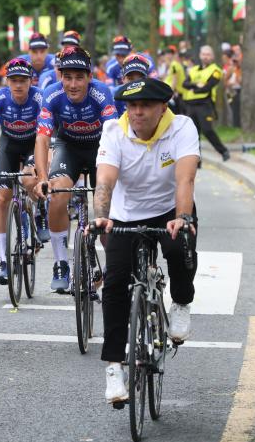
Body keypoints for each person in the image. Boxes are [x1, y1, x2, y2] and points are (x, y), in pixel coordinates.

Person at [92, 77, 199, 403]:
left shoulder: (181, 128)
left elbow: (186, 177)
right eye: (132, 106)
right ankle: (114, 369)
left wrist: (182, 218)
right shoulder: (114, 131)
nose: (137, 112)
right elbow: (105, 181)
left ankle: (180, 301)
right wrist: (101, 215)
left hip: (169, 208)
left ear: (162, 107)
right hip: (126, 213)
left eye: (145, 106)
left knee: (179, 248)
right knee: (114, 285)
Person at [33, 46, 118, 291]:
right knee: (57, 195)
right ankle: (60, 263)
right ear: (60, 77)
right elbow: (42, 138)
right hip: (68, 147)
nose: (73, 84)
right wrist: (41, 178)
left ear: (89, 77)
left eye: (79, 77)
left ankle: (113, 266)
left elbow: (112, 135)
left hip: (98, 148)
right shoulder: (52, 95)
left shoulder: (102, 93)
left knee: (105, 205)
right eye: (67, 77)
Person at [0, 58, 45, 283]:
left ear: (31, 81)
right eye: (13, 80)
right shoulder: (0, 98)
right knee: (2, 197)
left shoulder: (39, 98)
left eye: (23, 80)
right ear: (7, 81)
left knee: (27, 180)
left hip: (34, 144)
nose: (18, 85)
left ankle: (40, 208)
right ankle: (2, 260)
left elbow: (47, 133)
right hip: (8, 146)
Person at [182, 45, 230, 161]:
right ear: (200, 55)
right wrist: (196, 85)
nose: (205, 57)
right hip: (191, 105)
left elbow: (207, 87)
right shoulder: (193, 70)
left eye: (208, 54)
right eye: (203, 54)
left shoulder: (216, 70)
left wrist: (194, 87)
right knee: (193, 134)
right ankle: (196, 161)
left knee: (207, 129)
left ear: (212, 56)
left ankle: (223, 150)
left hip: (205, 104)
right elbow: (185, 84)